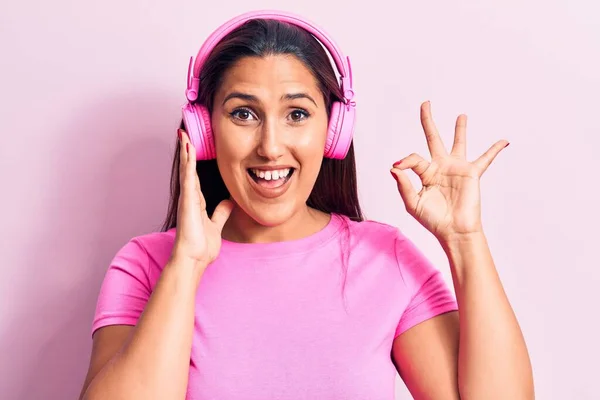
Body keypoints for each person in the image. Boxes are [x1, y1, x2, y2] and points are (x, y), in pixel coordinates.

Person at [79, 10, 534, 400]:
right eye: (243, 113)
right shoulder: (145, 265)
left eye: (297, 114)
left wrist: (464, 240)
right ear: (203, 131)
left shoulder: (384, 258)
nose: (271, 147)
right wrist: (186, 266)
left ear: (333, 131)